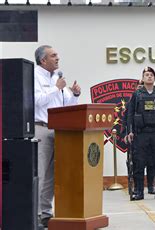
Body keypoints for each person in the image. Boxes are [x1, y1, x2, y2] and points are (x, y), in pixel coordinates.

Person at [34, 45, 81, 227]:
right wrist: (56, 88)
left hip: (59, 131)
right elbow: (37, 101)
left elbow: (67, 103)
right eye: (53, 56)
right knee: (40, 172)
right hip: (42, 129)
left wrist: (75, 93)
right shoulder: (34, 76)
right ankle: (35, 214)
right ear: (43, 60)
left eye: (57, 55)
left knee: (52, 175)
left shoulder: (57, 77)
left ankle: (45, 213)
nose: (57, 58)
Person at [126, 66, 155, 200]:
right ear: (142, 78)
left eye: (151, 75)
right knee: (139, 162)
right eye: (146, 75)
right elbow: (130, 114)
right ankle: (139, 191)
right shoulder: (137, 95)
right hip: (141, 133)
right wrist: (130, 131)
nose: (149, 76)